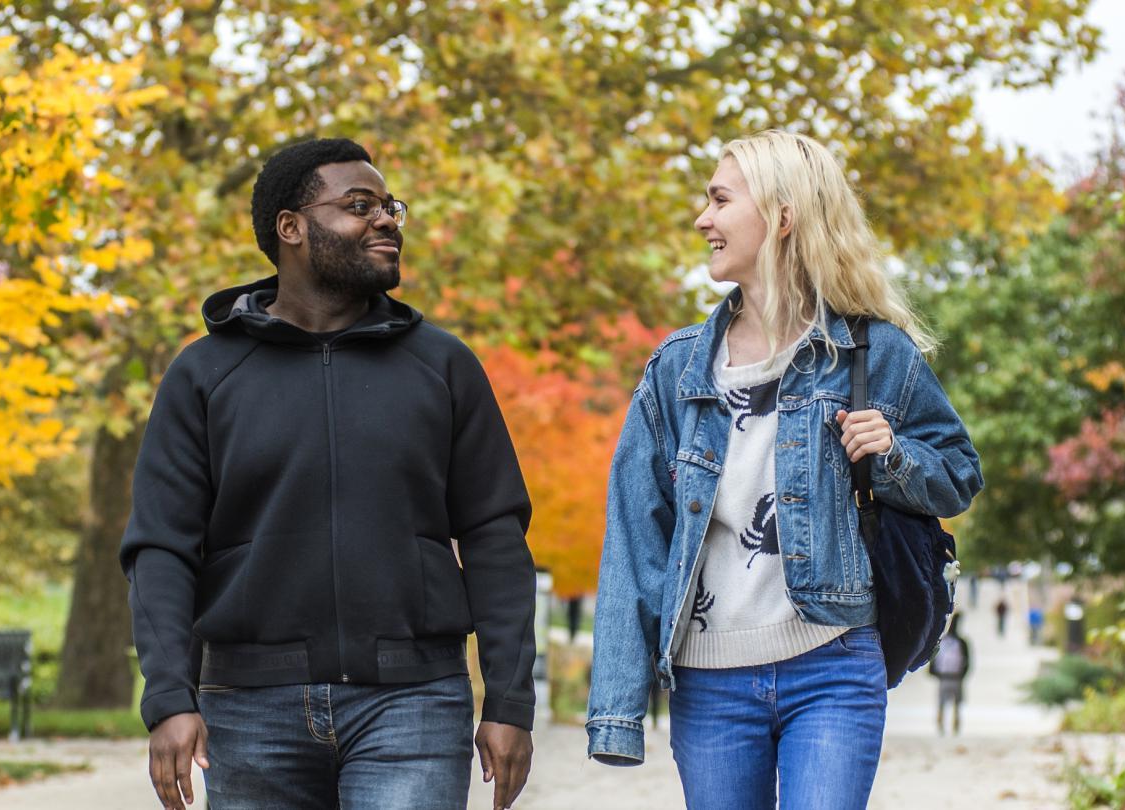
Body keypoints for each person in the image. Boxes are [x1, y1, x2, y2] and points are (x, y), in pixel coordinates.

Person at [123, 138, 536, 810]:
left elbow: (495, 535)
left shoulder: (443, 366)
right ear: (291, 227)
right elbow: (161, 547)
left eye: (389, 206)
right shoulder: (203, 375)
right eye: (359, 205)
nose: (386, 220)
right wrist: (169, 698)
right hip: (248, 708)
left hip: (414, 703)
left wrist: (509, 702)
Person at [585, 129, 983, 809]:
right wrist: (618, 708)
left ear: (781, 215)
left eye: (719, 200)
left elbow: (959, 474)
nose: (701, 218)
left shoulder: (874, 354)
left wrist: (892, 454)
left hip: (832, 663)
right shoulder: (678, 369)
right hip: (709, 679)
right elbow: (633, 537)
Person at [929, 614, 973, 736]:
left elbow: (934, 658)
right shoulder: (961, 642)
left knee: (944, 703)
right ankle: (953, 725)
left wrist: (934, 672)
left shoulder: (943, 641)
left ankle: (943, 724)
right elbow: (968, 660)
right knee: (955, 704)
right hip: (955, 676)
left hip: (945, 677)